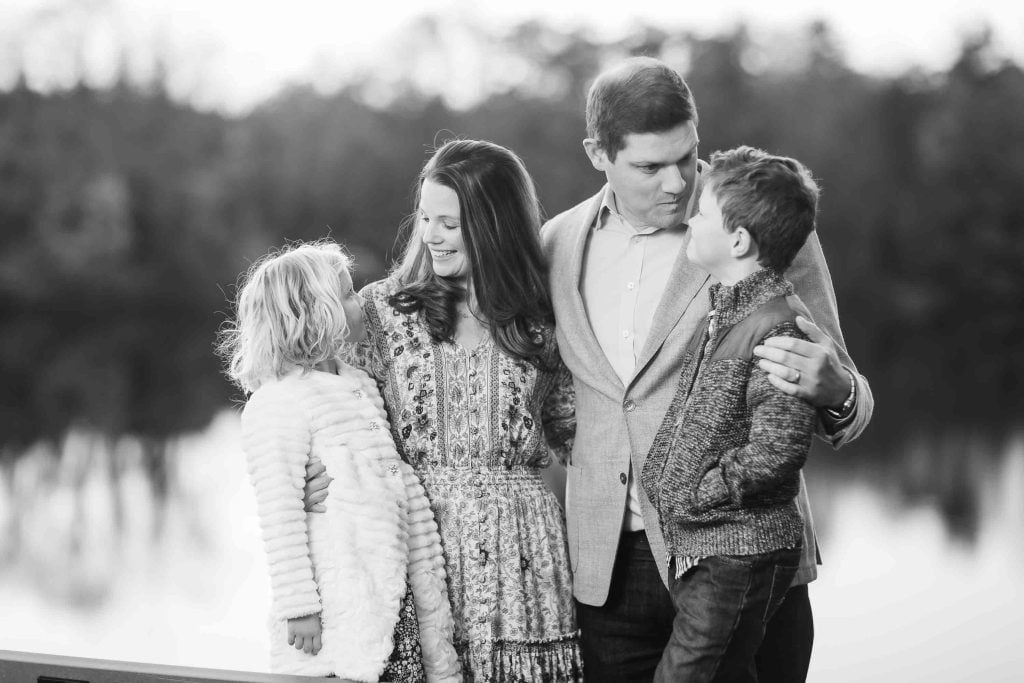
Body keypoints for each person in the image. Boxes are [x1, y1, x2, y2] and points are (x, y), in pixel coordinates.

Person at [539, 56, 874, 682]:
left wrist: (839, 392)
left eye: (686, 157)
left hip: (745, 560)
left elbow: (845, 393)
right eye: (648, 166)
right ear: (597, 154)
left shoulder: (759, 226)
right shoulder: (555, 244)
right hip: (608, 569)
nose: (676, 184)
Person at [309, 139, 583, 681]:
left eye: (450, 224)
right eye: (425, 218)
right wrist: (306, 475)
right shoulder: (380, 311)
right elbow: (312, 409)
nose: (430, 235)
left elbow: (581, 438)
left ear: (495, 226)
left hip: (523, 565)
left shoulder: (542, 321)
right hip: (411, 544)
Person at [218, 241, 461, 682]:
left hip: (390, 586)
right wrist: (299, 607)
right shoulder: (278, 401)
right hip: (336, 601)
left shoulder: (359, 384)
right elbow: (279, 512)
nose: (361, 301)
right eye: (348, 294)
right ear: (315, 312)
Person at [641, 146, 823, 681]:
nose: (690, 220)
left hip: (737, 554)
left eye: (702, 213)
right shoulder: (725, 309)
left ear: (738, 240)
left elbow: (776, 453)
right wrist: (665, 478)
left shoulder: (778, 327)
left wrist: (696, 493)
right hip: (709, 548)